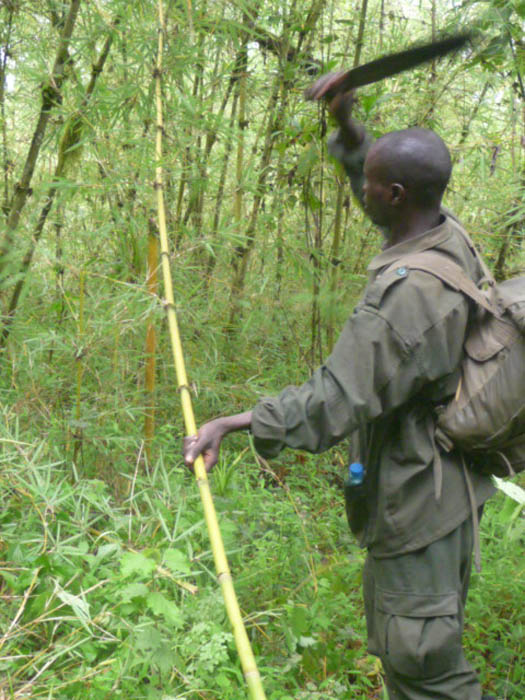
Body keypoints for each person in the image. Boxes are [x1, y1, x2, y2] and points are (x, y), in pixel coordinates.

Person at [183, 72, 497, 700]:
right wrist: (350, 130)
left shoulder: (407, 298)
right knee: (419, 654)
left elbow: (334, 401)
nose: (364, 193)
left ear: (397, 195)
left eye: (374, 185)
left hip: (418, 501)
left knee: (425, 670)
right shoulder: (443, 235)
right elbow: (382, 183)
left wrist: (235, 422)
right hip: (446, 493)